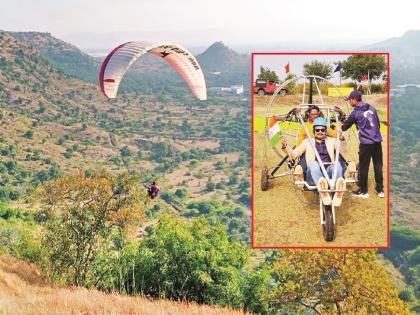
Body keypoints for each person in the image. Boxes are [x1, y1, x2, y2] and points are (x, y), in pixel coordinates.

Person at [280, 117, 347, 207]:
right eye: (317, 130)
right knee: (314, 163)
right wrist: (285, 146)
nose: (320, 132)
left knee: (336, 164)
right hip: (312, 174)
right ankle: (322, 187)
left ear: (326, 131)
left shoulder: (332, 141)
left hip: (329, 173)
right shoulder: (307, 142)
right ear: (314, 131)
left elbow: (343, 150)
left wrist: (341, 137)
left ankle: (339, 189)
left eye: (322, 130)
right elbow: (294, 154)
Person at [337, 90, 384, 199]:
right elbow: (377, 124)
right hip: (377, 141)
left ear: (354, 100)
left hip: (366, 143)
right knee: (378, 166)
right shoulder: (372, 108)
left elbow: (345, 126)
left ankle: (363, 191)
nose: (349, 102)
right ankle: (380, 190)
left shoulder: (355, 112)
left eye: (349, 100)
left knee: (363, 167)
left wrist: (339, 127)